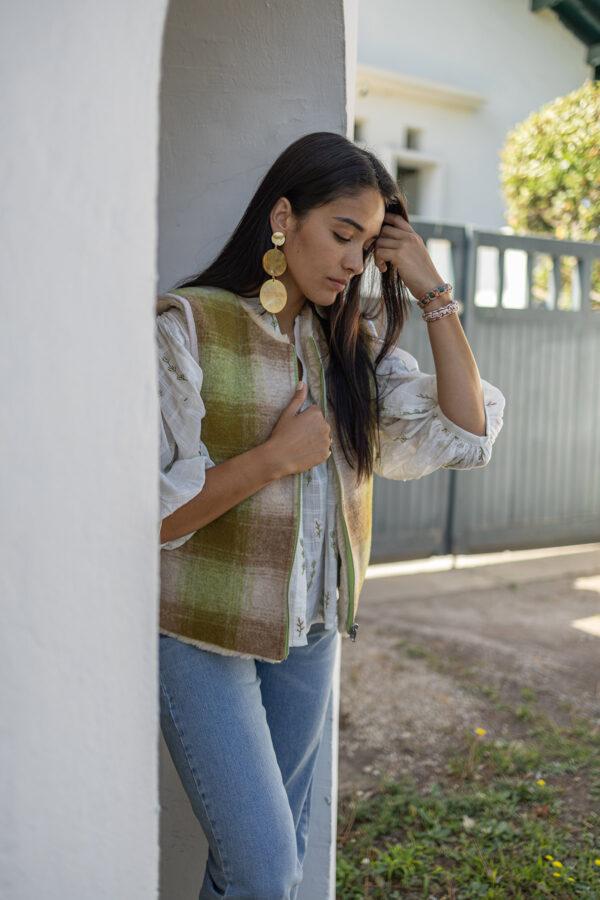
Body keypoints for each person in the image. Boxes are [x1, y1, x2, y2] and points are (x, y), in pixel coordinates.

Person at [157, 131, 505, 898]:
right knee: (265, 868)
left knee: (266, 863)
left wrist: (429, 290)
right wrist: (273, 459)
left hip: (311, 633)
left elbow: (467, 430)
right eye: (341, 234)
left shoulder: (352, 346)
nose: (353, 262)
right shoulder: (190, 324)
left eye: (366, 244)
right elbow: (151, 518)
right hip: (202, 632)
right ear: (284, 217)